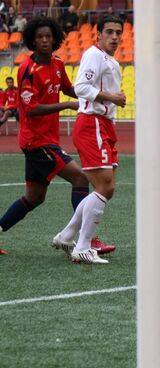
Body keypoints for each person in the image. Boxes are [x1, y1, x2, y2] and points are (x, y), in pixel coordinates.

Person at [0, 17, 113, 256]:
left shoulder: (58, 64)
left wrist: (93, 93)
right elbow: (30, 108)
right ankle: (86, 240)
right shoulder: (28, 70)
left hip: (46, 140)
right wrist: (66, 105)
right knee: (81, 178)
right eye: (39, 37)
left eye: (48, 36)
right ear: (32, 40)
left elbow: (71, 88)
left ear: (55, 39)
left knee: (34, 197)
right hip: (36, 141)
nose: (44, 40)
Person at [52, 15, 126, 264]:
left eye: (118, 32)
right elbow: (81, 87)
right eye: (109, 32)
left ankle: (67, 235)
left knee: (106, 187)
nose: (114, 36)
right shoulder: (94, 55)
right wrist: (112, 97)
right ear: (98, 34)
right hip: (92, 122)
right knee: (106, 186)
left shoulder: (110, 60)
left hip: (104, 125)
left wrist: (112, 102)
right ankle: (82, 246)